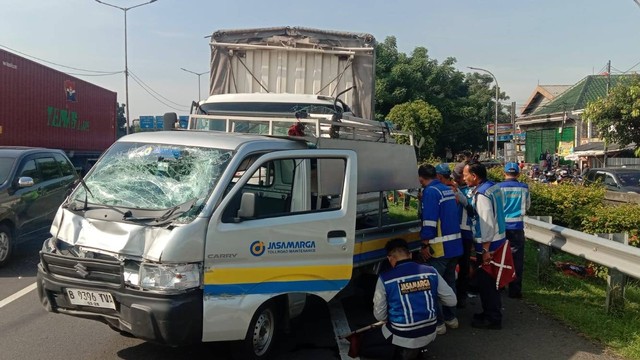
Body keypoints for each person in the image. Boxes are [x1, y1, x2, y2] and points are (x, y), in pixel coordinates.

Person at [373, 238, 456, 360]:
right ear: (410, 255)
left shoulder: (385, 278)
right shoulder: (431, 271)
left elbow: (379, 316)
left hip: (402, 333)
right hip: (430, 329)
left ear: (390, 258)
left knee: (383, 331)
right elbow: (452, 301)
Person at [418, 164, 463, 335]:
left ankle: (439, 323)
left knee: (434, 286)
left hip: (439, 248)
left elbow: (429, 221)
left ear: (421, 177)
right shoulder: (446, 190)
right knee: (450, 284)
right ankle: (452, 318)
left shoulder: (431, 192)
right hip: (455, 246)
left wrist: (425, 244)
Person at [463, 161, 507, 330]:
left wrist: (485, 249)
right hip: (499, 238)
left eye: (466, 175)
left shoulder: (481, 195)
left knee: (487, 283)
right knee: (490, 282)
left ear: (475, 176)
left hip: (489, 243)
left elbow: (486, 223)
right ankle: (490, 312)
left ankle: (492, 318)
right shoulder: (492, 187)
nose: (464, 178)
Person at [498, 163, 530, 299]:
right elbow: (527, 206)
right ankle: (515, 291)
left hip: (501, 227)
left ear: (504, 173)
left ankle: (499, 285)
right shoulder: (524, 188)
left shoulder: (498, 188)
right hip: (517, 227)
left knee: (500, 258)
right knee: (517, 260)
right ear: (518, 174)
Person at [452, 161, 474, 308]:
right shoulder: (452, 189)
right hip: (453, 233)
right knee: (451, 265)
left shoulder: (471, 191)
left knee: (463, 266)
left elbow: (471, 209)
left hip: (465, 233)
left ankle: (461, 296)